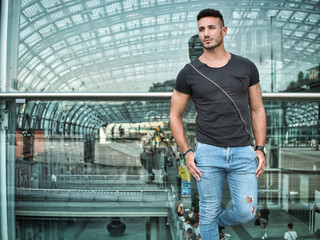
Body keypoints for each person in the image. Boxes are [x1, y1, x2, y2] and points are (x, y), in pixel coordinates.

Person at [169, 8, 267, 240]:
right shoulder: (189, 72)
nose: (206, 33)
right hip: (207, 152)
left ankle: (219, 221)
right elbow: (175, 115)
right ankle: (213, 223)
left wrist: (260, 148)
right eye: (201, 29)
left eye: (211, 28)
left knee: (246, 211)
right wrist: (186, 152)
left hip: (243, 151)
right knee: (208, 212)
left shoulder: (246, 67)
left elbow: (258, 109)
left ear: (224, 31)